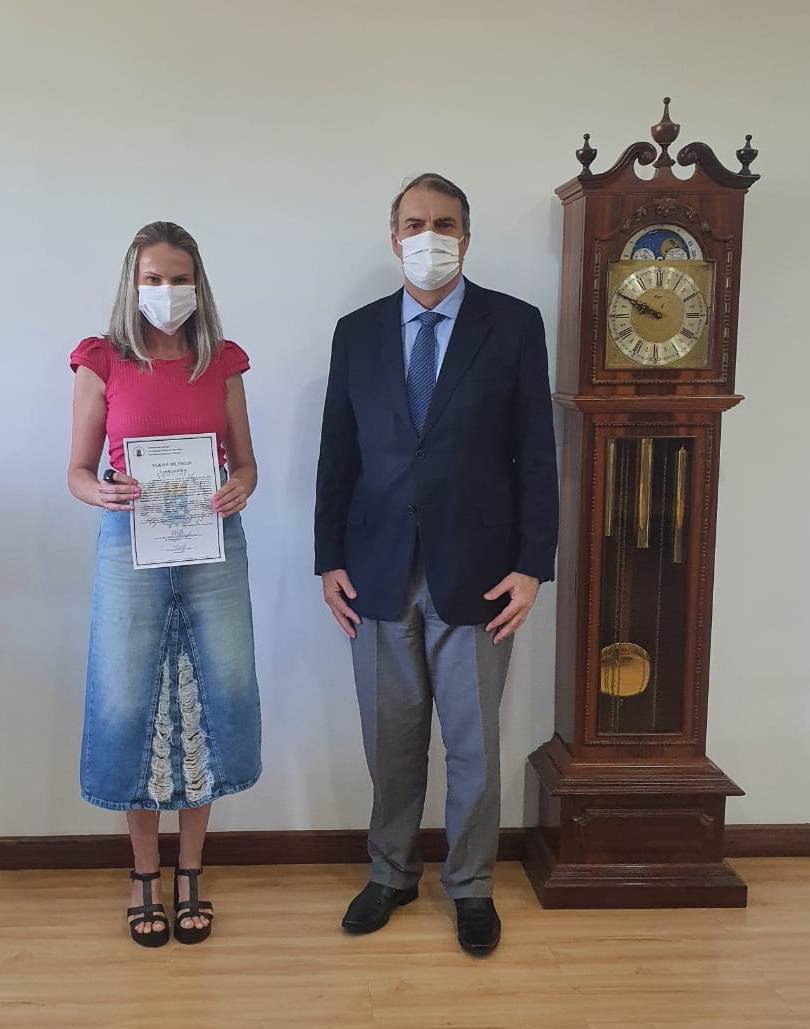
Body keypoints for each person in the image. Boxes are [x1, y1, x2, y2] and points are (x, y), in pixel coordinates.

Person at [314, 173, 558, 955]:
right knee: (390, 739)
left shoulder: (513, 325)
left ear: (466, 237)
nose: (430, 237)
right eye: (415, 223)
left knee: (473, 742)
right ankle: (390, 872)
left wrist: (533, 564)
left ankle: (472, 884)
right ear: (395, 239)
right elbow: (338, 451)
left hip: (481, 569)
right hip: (375, 566)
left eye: (444, 223)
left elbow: (537, 453)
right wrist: (327, 558)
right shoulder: (356, 332)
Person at [67, 221, 261, 947]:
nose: (167, 290)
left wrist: (241, 486)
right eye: (153, 278)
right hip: (130, 544)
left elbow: (246, 464)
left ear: (198, 285)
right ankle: (144, 872)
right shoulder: (101, 361)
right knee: (130, 697)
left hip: (213, 545)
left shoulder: (223, 362)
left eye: (180, 278)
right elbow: (77, 471)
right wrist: (101, 491)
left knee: (216, 690)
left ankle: (191, 871)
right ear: (133, 283)